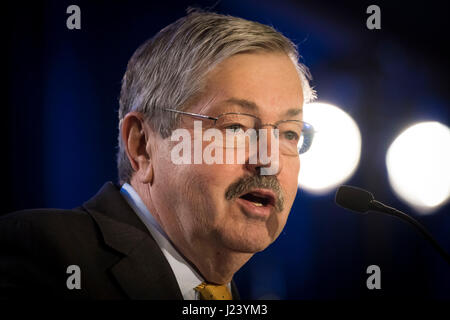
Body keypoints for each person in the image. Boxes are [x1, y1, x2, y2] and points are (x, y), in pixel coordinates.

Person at [0, 10, 315, 299]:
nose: (269, 162)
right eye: (235, 128)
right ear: (143, 146)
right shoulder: (45, 255)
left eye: (290, 133)